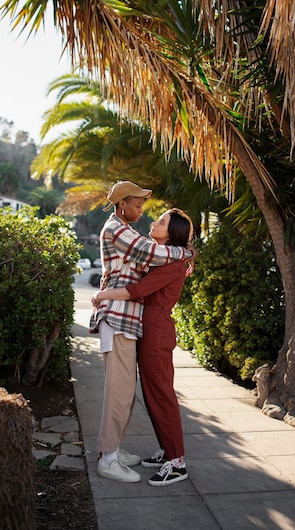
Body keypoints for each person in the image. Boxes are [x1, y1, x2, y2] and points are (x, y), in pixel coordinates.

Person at [90, 181, 194, 484]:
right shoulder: (121, 231)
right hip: (123, 321)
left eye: (159, 219)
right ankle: (110, 456)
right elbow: (148, 256)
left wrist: (105, 294)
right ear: (122, 204)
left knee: (138, 393)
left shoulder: (153, 249)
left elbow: (142, 283)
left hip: (141, 326)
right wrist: (185, 251)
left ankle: (124, 452)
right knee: (123, 394)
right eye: (138, 205)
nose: (144, 213)